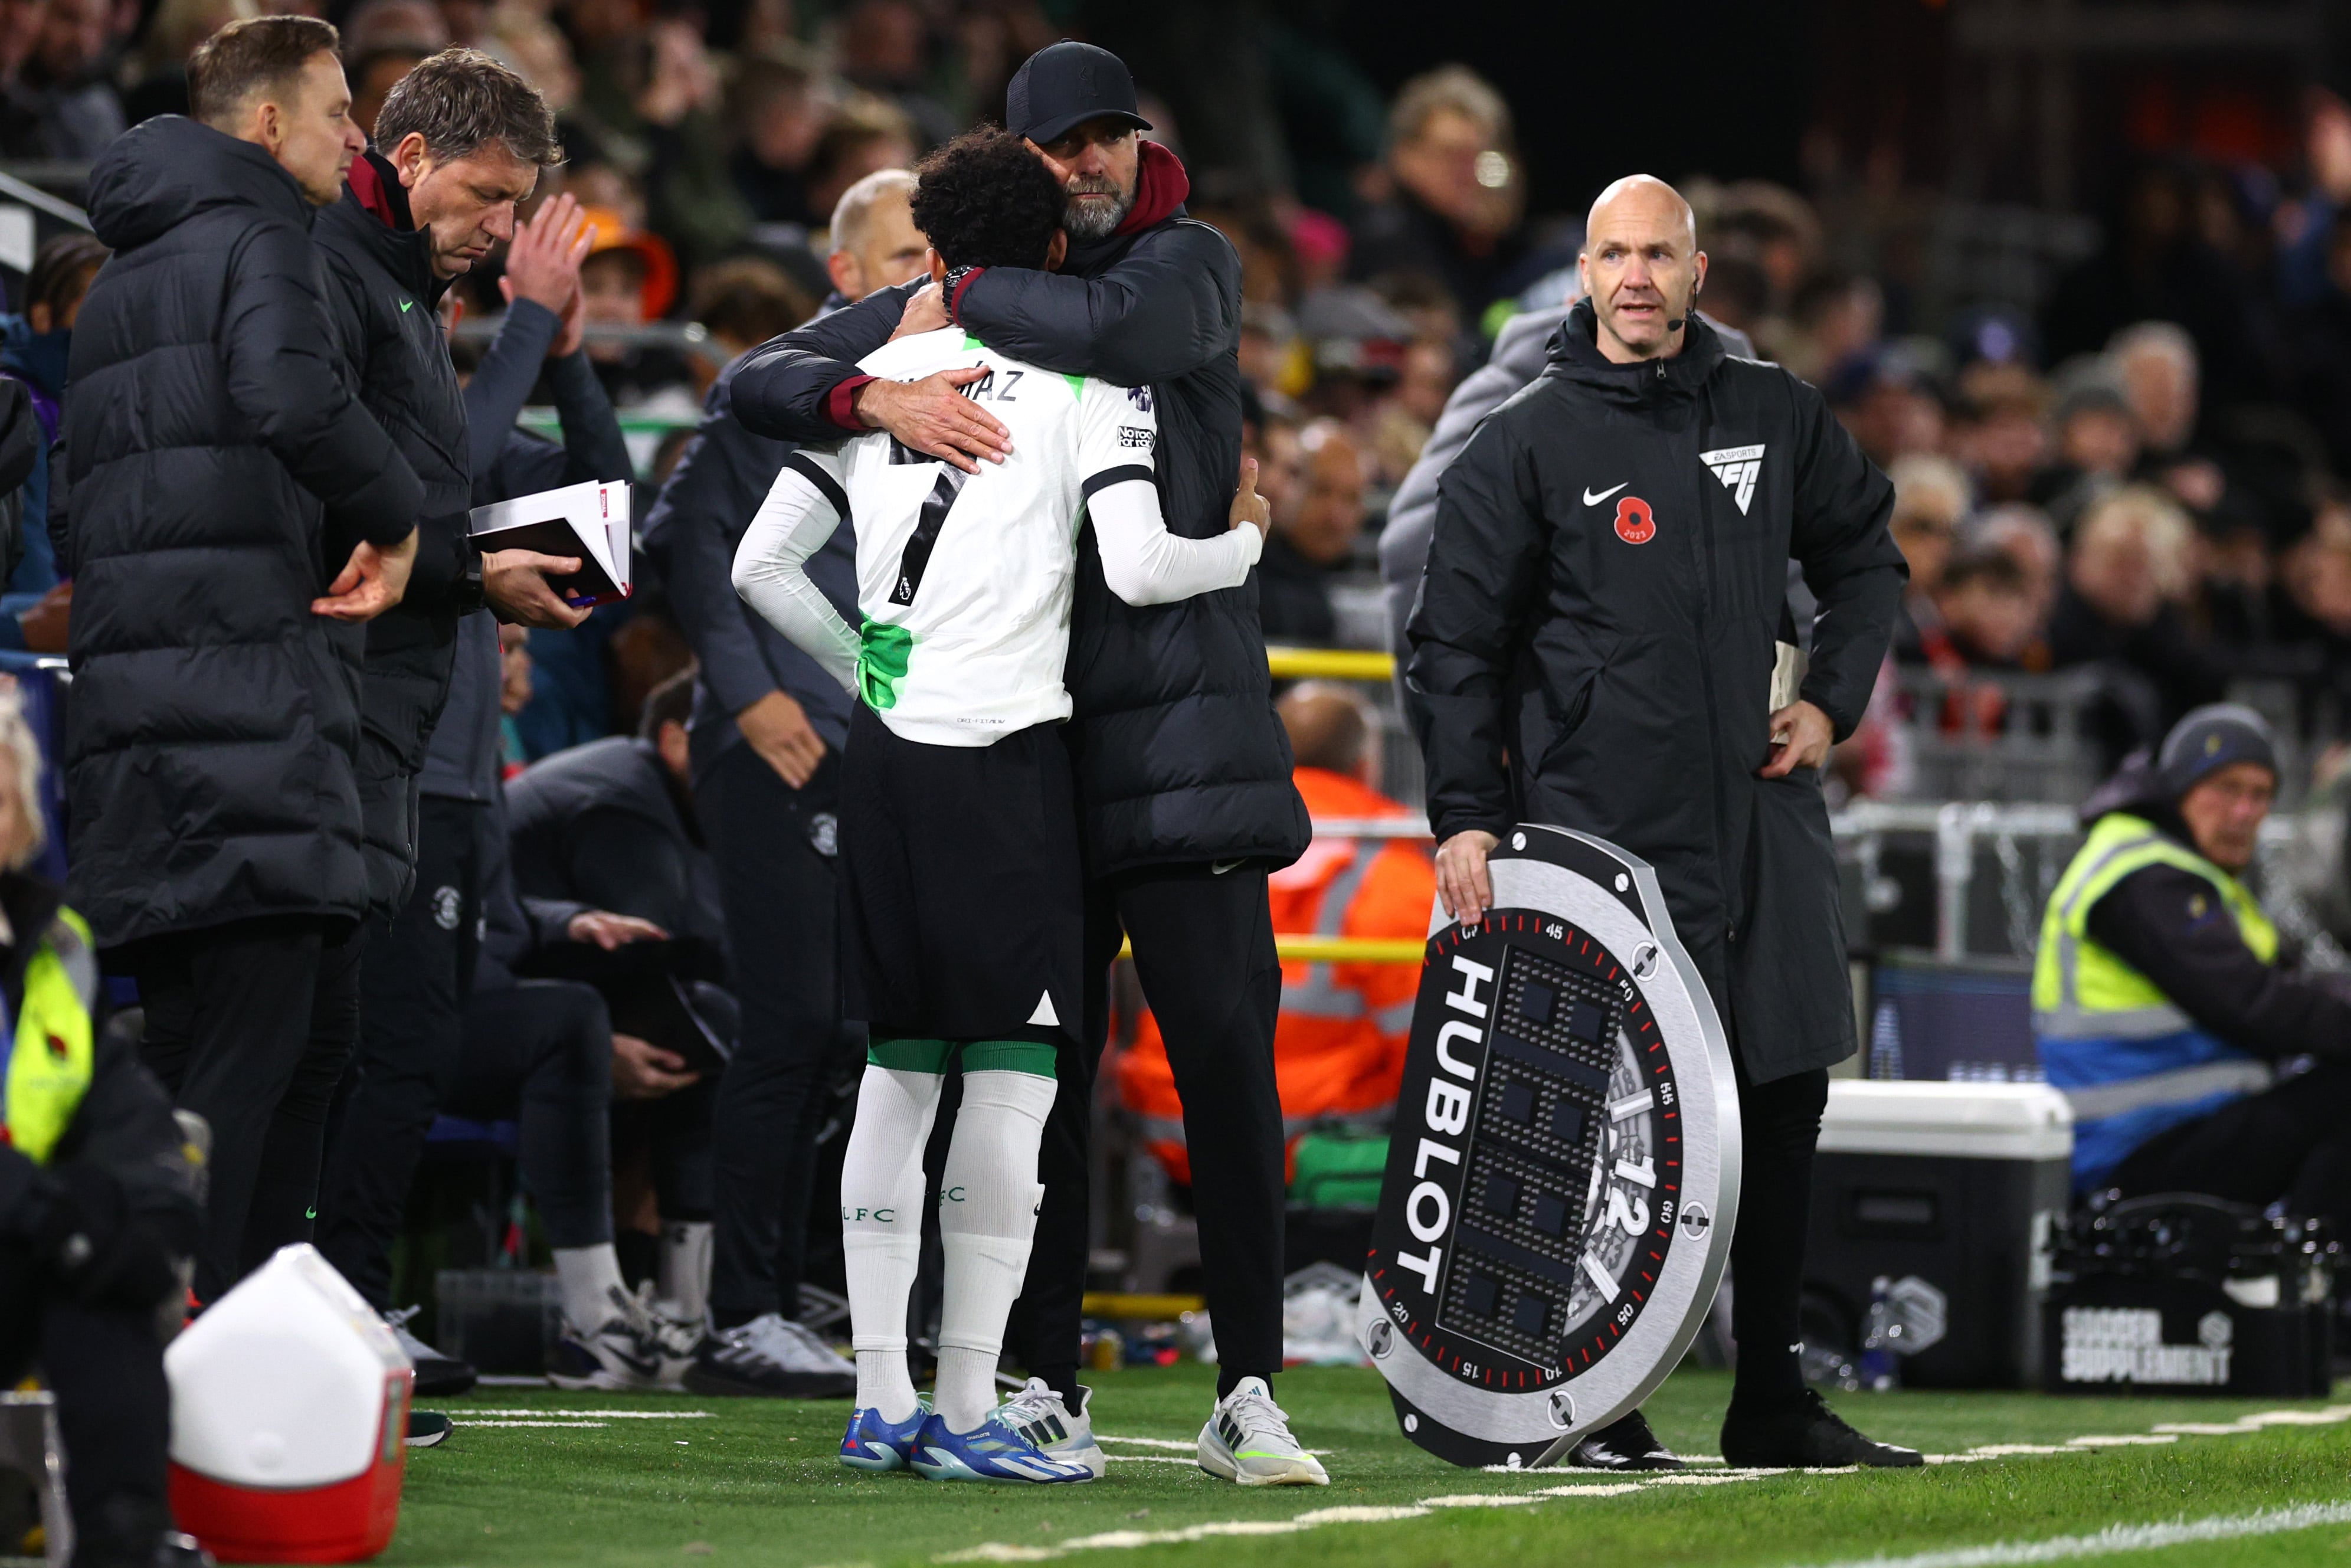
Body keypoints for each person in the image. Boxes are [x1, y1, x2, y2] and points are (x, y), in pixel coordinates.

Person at [726, 40, 1316, 1484]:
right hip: (1031, 750)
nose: (1096, 159)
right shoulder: (989, 329)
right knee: (1028, 1073)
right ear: (1030, 169)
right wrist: (874, 393)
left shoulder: (1186, 268)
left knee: (1217, 1068)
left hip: (1171, 756)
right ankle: (1034, 1377)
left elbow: (1109, 327)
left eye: (1114, 133)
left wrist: (946, 301)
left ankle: (1245, 1381)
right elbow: (759, 376)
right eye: (1066, 145)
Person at [1408, 175, 1919, 1470]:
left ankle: (1772, 1394)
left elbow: (1868, 552)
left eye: (1660, 255)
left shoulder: (1774, 411)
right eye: (1614, 255)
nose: (1637, 277)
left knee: (1785, 1086)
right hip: (1601, 840)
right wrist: (1467, 815)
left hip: (1759, 815)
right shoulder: (1522, 439)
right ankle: (1587, 1392)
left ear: (1699, 272)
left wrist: (1830, 705)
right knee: (1590, 1112)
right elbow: (1451, 642)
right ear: (1583, 273)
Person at [59, 14, 426, 1308]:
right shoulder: (266, 234)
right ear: (267, 123)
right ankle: (200, 1374)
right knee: (255, 1069)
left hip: (136, 727)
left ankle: (146, 1346)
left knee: (193, 1058)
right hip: (251, 717)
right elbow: (291, 399)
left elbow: (78, 508)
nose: (355, 138)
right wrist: (395, 515)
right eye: (338, 112)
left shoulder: (122, 277)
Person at [306, 45, 584, 1389]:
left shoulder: (440, 336)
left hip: (451, 765)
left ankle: (353, 1308)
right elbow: (437, 480)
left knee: (399, 1057)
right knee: (365, 1053)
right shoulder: (366, 305)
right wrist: (524, 320)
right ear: (407, 161)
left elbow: (605, 514)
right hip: (382, 749)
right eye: (485, 200)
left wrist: (569, 356)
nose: (493, 233)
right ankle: (337, 1306)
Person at [638, 165, 926, 1400]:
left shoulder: (921, 394)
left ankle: (800, 1283)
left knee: (849, 1034)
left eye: (938, 256)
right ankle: (741, 1313)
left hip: (862, 750)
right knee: (792, 1027)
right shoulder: (784, 382)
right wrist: (750, 695)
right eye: (904, 256)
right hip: (778, 745)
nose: (927, 276)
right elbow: (679, 538)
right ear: (846, 277)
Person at [0, 687, 207, 1568]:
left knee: (111, 1258)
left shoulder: (51, 950)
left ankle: (127, 1537)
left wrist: (148, 1214)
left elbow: (122, 1113)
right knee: (76, 1238)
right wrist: (47, 1210)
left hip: (19, 1250)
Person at [2034, 706, 2351, 1216]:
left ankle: (2310, 1273)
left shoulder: (2185, 872)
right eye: (2226, 788)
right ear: (2179, 789)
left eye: (2260, 794)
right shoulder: (2145, 876)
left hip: (2177, 1133)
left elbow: (2294, 986)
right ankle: (2319, 1282)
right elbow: (2256, 1004)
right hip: (2132, 1154)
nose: (2245, 812)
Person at [1118, 683, 1432, 1183]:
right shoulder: (1393, 875)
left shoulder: (1192, 843)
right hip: (1304, 1143)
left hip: (1171, 1128)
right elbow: (1427, 1059)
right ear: (1364, 768)